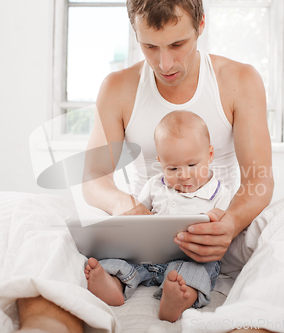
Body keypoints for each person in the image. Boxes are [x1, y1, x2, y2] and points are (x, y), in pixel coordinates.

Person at [3, 1, 284, 332]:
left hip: (224, 228)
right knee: (36, 211)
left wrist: (231, 222)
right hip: (148, 229)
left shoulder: (239, 79)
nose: (164, 63)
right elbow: (93, 177)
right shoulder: (118, 88)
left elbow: (259, 179)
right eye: (149, 46)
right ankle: (48, 325)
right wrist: (127, 206)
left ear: (201, 26)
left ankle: (253, 326)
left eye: (178, 44)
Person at [85, 111, 231, 323]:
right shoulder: (155, 185)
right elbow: (137, 214)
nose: (183, 174)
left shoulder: (220, 193)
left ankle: (178, 298)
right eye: (172, 168)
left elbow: (227, 225)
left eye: (192, 165)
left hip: (190, 257)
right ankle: (113, 285)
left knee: (195, 272)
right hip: (148, 257)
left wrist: (218, 219)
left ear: (209, 155)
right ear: (161, 162)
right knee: (118, 260)